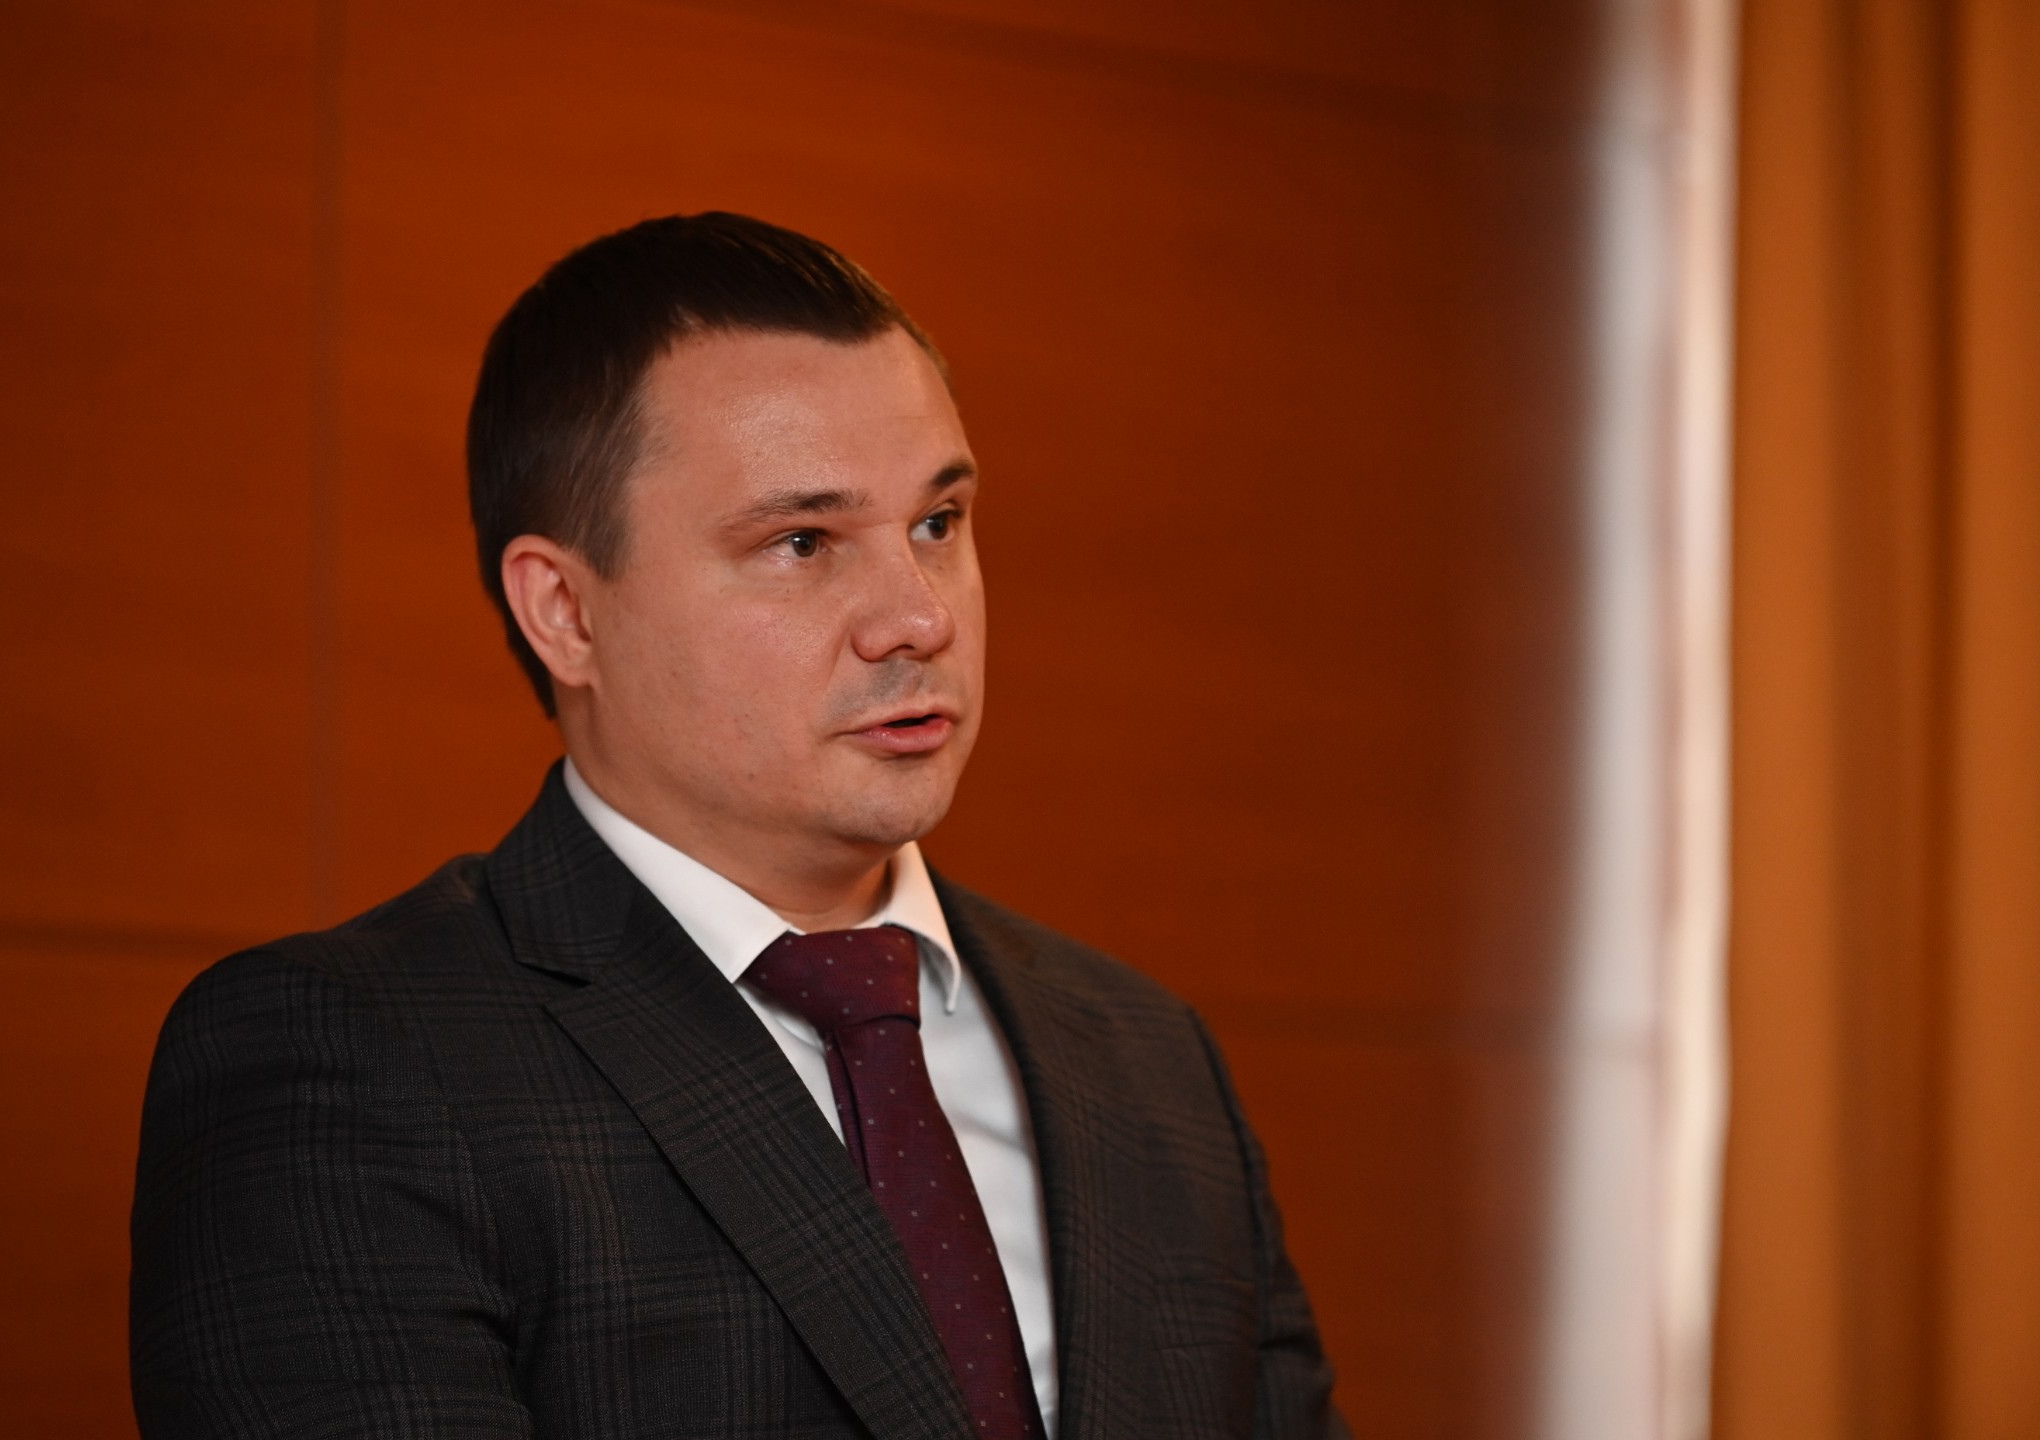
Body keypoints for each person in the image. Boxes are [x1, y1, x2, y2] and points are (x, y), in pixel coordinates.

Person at [130, 212, 1350, 1439]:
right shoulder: (353, 1062)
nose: (919, 618)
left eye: (938, 523)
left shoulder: (1148, 1059)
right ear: (566, 613)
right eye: (802, 542)